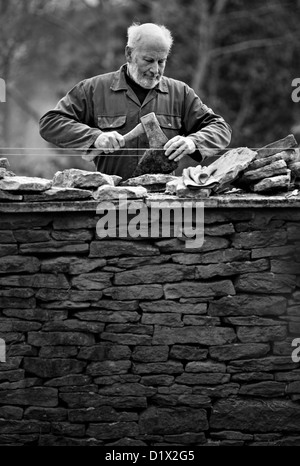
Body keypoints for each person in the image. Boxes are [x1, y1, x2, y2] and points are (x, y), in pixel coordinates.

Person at [39, 22, 232, 180]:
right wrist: (94, 137)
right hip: (111, 201)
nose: (155, 70)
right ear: (129, 54)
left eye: (161, 61)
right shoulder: (94, 89)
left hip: (163, 203)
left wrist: (193, 142)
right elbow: (50, 123)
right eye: (148, 60)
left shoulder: (180, 93)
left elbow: (221, 128)